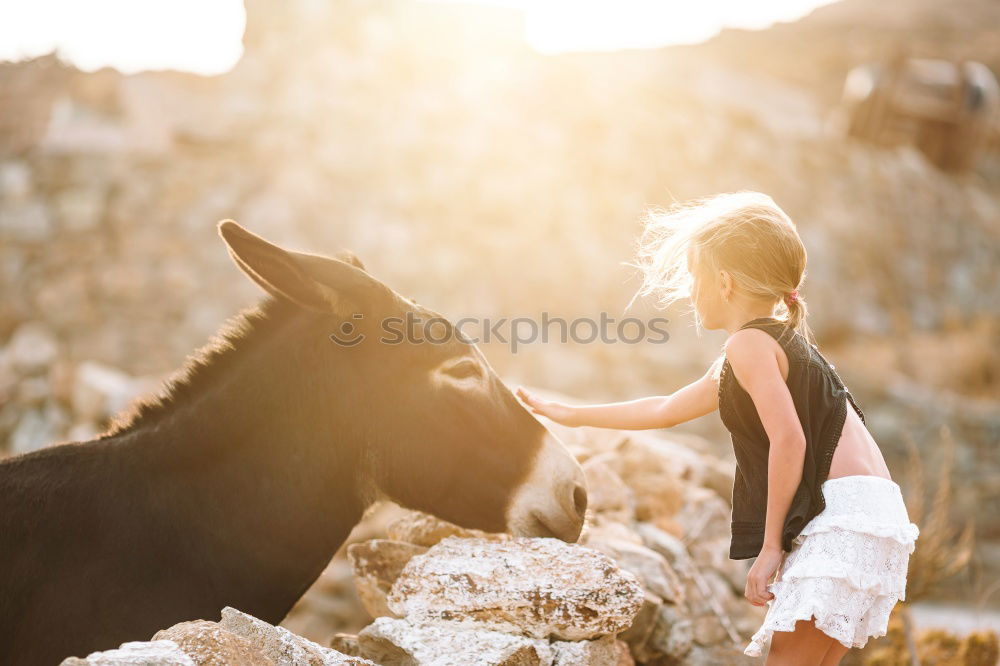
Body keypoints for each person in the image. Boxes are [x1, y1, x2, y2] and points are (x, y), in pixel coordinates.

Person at [516, 191, 919, 665]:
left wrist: (770, 548)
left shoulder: (748, 345)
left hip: (844, 520)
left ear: (724, 282)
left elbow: (790, 438)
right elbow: (665, 408)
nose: (690, 291)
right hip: (874, 516)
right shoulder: (772, 344)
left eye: (694, 277)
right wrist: (571, 413)